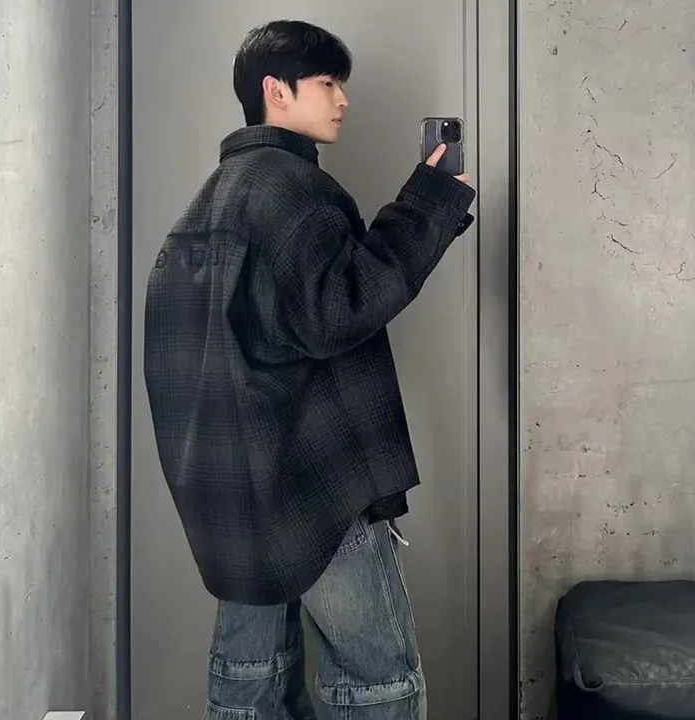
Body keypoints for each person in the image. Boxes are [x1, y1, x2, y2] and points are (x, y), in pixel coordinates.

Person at [143, 19, 476, 720]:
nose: (343, 99)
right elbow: (340, 310)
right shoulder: (291, 189)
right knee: (378, 684)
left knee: (249, 679)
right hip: (316, 485)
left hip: (233, 493)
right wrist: (431, 202)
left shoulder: (211, 199)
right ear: (277, 90)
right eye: (327, 82)